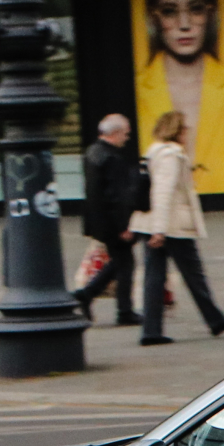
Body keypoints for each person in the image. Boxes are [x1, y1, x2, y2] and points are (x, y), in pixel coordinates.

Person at [134, 109, 224, 346]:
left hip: (152, 222)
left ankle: (151, 330)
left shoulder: (153, 151)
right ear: (177, 130)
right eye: (184, 129)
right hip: (171, 225)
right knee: (193, 273)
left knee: (154, 277)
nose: (187, 134)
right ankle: (214, 320)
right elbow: (163, 191)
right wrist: (159, 230)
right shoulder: (172, 155)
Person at [134, 0, 224, 196]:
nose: (184, 25)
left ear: (211, 12)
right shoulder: (136, 89)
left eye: (196, 9)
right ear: (154, 17)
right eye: (169, 11)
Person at [75, 113, 144, 325]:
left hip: (98, 219)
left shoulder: (93, 152)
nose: (127, 137)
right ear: (114, 133)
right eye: (125, 133)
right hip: (113, 220)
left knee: (120, 261)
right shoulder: (112, 159)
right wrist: (124, 225)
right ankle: (123, 311)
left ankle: (87, 294)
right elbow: (117, 195)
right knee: (125, 263)